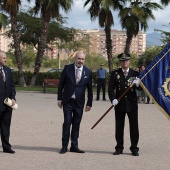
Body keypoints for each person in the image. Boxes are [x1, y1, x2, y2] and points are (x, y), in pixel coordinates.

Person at [57, 51, 93, 154]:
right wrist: (59, 99)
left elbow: (90, 90)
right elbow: (61, 85)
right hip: (68, 101)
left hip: (79, 103)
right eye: (79, 59)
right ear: (75, 58)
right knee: (67, 123)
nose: (80, 61)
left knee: (76, 124)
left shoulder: (88, 72)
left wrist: (89, 103)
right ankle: (64, 146)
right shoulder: (67, 69)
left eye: (82, 59)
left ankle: (74, 145)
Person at [108, 53, 140, 156]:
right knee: (119, 127)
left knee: (134, 127)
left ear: (129, 61)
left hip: (132, 104)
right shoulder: (115, 73)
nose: (124, 62)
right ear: (120, 62)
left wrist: (138, 84)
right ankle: (119, 147)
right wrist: (113, 99)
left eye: (126, 60)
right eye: (122, 61)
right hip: (119, 104)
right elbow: (110, 88)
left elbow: (139, 88)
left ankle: (134, 148)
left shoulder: (135, 73)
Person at [0, 51, 16, 154]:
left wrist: (13, 98)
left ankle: (6, 147)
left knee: (6, 127)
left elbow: (12, 86)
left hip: (7, 105)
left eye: (5, 58)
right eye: (3, 58)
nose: (5, 59)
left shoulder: (8, 70)